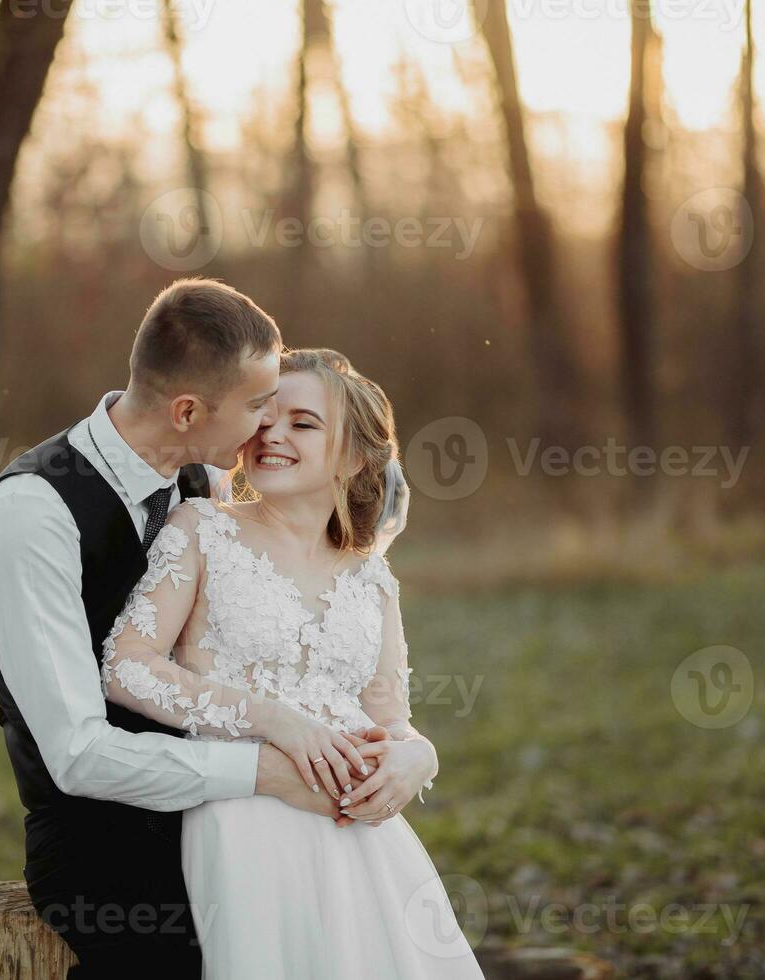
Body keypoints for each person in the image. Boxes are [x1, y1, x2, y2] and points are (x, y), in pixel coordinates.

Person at [0, 280, 428, 978]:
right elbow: (78, 755)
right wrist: (263, 771)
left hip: (244, 813)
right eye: (257, 408)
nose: (266, 429)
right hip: (109, 849)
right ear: (187, 411)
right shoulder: (32, 517)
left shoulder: (201, 482)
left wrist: (414, 754)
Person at [98, 346, 481, 978]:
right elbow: (126, 665)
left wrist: (420, 756)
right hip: (247, 817)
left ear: (355, 455)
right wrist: (273, 720)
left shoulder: (371, 577)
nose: (273, 434)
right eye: (264, 419)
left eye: (303, 423)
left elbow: (391, 717)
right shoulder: (202, 530)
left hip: (362, 836)